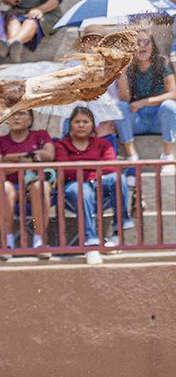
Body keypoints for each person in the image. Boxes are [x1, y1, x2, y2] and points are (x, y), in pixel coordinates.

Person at [56, 106, 133, 264]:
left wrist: (82, 168)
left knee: (118, 178)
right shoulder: (61, 145)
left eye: (86, 121)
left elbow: (111, 167)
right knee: (82, 190)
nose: (81, 125)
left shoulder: (103, 144)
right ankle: (91, 243)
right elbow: (66, 170)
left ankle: (118, 233)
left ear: (93, 125)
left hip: (99, 185)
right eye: (77, 122)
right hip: (74, 186)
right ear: (70, 125)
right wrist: (94, 168)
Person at [0, 110, 54, 258]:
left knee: (40, 187)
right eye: (12, 114)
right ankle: (7, 243)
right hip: (10, 186)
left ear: (30, 119)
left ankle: (40, 242)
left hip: (34, 185)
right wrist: (28, 158)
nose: (15, 117)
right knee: (3, 188)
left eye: (21, 114)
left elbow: (49, 155)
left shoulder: (41, 136)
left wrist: (9, 160)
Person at [114, 27, 176, 173]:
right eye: (137, 42)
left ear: (152, 45)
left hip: (158, 119)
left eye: (146, 42)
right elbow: (125, 99)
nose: (141, 46)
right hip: (138, 120)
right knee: (120, 107)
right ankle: (131, 156)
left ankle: (167, 156)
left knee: (169, 106)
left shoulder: (162, 63)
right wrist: (122, 72)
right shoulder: (129, 67)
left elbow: (173, 93)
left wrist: (144, 102)